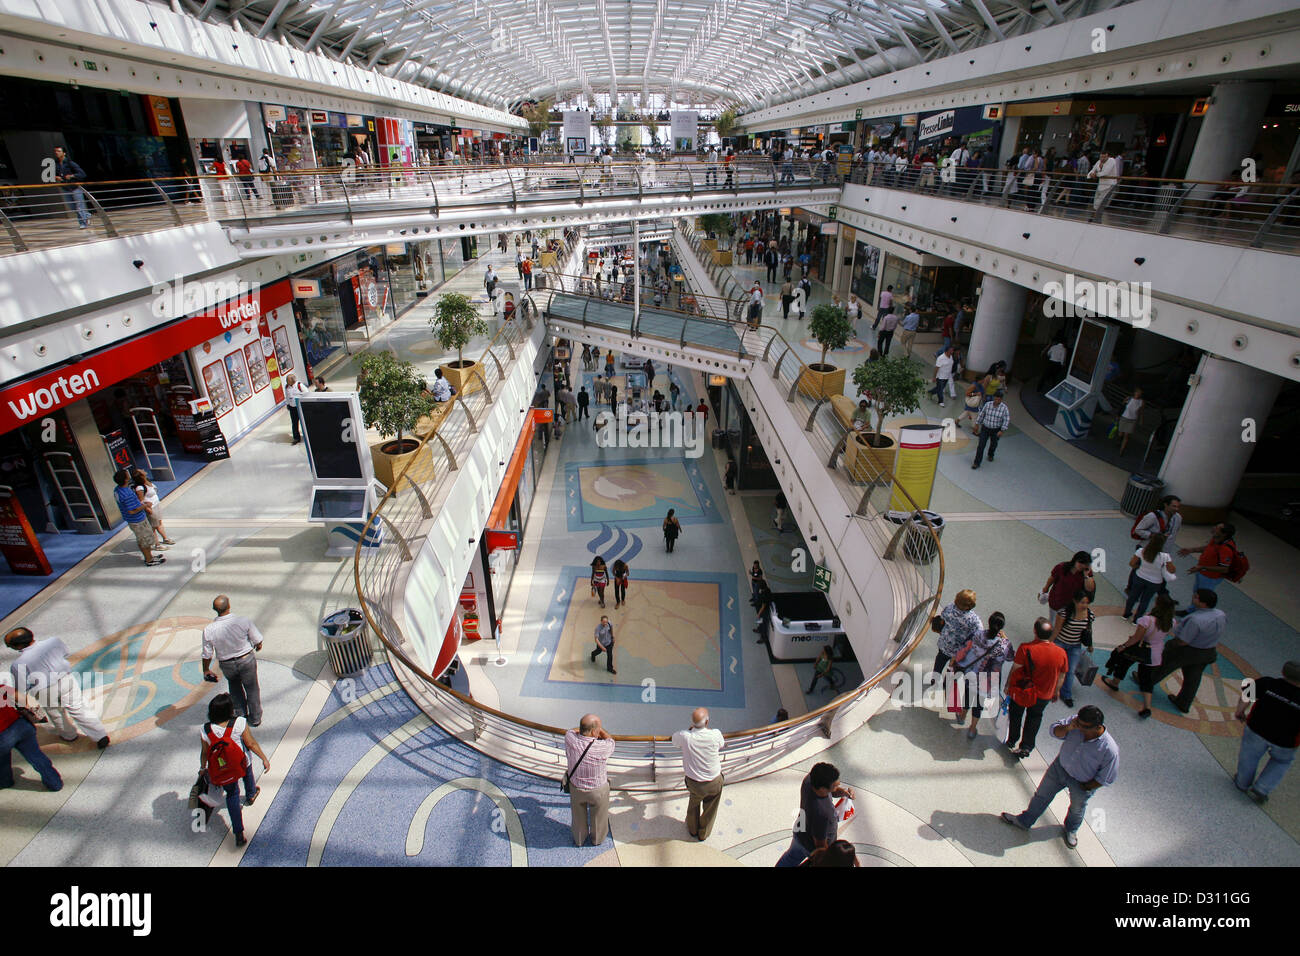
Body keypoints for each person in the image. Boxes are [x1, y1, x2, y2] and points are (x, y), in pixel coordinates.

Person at [1001, 705, 1118, 849]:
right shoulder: (1075, 723)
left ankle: (1071, 830)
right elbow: (1054, 731)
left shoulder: (1109, 749)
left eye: (1084, 727)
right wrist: (1069, 727)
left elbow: (1107, 777)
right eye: (1078, 723)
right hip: (1059, 768)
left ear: (1097, 727)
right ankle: (1025, 821)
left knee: (1077, 808)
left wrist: (1086, 787)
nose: (1079, 728)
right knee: (1041, 796)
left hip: (1082, 782)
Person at [5, 627, 109, 748]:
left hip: (44, 690)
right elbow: (65, 653)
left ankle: (69, 735)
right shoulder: (54, 642)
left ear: (17, 646)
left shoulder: (18, 664)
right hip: (66, 679)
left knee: (56, 713)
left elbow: (22, 687)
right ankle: (100, 735)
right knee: (79, 708)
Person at [200, 693, 269, 848]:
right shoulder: (239, 723)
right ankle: (251, 794)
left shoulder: (205, 729)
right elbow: (250, 744)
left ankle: (238, 833)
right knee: (247, 775)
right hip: (242, 761)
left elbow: (204, 752)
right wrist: (264, 758)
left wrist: (202, 768)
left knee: (232, 794)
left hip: (223, 767)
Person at [1234, 661, 1300, 804]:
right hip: (1286, 741)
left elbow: (1247, 695)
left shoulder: (1267, 683)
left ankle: (1242, 782)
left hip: (1256, 729)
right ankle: (1262, 788)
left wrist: (1240, 710)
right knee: (1281, 762)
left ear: (1283, 672)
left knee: (1249, 756)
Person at [1152, 588, 1226, 714]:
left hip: (1187, 650)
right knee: (1193, 678)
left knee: (1163, 665)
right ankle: (1183, 702)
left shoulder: (1195, 620)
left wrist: (1171, 644)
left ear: (1203, 603)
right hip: (1207, 651)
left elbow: (1183, 641)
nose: (1193, 597)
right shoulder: (1220, 614)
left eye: (1196, 597)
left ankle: (1147, 681)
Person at [1004, 617, 1068, 758]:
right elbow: (1062, 675)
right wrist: (1056, 691)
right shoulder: (1061, 653)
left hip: (1023, 691)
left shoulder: (1026, 648)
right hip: (1044, 694)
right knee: (1035, 718)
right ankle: (1026, 746)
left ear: (1035, 631)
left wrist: (1008, 685)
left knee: (1016, 714)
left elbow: (1016, 668)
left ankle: (1012, 739)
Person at [1103, 593, 1175, 718]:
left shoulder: (1147, 620)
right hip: (1155, 652)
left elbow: (1137, 638)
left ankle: (1115, 683)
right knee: (1146, 678)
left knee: (1124, 664)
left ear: (1157, 604)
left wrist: (1123, 646)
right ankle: (1147, 706)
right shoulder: (1171, 622)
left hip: (1139, 649)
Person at [201, 595, 264, 727]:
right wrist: (258, 646)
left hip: (227, 664)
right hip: (246, 659)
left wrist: (206, 669)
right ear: (229, 606)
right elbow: (257, 640)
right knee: (252, 689)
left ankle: (240, 716)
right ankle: (255, 718)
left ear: (215, 609)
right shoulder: (243, 621)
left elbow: (207, 653)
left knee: (235, 689)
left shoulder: (209, 630)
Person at [775, 762, 855, 867]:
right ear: (822, 789)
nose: (839, 784)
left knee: (790, 858)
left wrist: (844, 792)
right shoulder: (822, 813)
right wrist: (829, 858)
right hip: (810, 848)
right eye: (835, 785)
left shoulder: (810, 780)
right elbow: (820, 845)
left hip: (800, 833)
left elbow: (831, 792)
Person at [951, 611, 1012, 738]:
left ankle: (962, 715)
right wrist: (1005, 638)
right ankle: (972, 729)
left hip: (972, 672)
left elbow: (966, 648)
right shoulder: (1003, 645)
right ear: (1001, 627)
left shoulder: (978, 635)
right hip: (988, 679)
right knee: (979, 703)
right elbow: (1011, 657)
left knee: (968, 694)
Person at [0, 670, 62, 791]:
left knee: (2, 760)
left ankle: (6, 781)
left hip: (2, 738)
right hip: (21, 726)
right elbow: (22, 698)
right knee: (36, 755)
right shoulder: (1, 687)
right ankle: (55, 783)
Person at [672, 708, 726, 841]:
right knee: (711, 809)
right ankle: (704, 833)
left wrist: (689, 730)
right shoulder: (715, 734)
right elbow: (721, 744)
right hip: (714, 781)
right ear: (707, 722)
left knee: (693, 805)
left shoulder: (685, 736)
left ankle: (692, 829)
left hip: (694, 783)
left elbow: (674, 740)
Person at [564, 714, 616, 846]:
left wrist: (587, 729)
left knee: (577, 817)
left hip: (576, 787)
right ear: (594, 732)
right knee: (599, 817)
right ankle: (597, 839)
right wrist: (601, 731)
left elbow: (571, 731)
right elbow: (611, 740)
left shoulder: (570, 739)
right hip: (598, 790)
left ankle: (579, 839)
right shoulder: (603, 747)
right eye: (597, 729)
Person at [1051, 589, 1095, 708]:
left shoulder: (1089, 615)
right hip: (1060, 642)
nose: (1084, 605)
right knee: (1054, 667)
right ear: (1075, 601)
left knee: (1070, 671)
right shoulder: (1064, 613)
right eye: (1082, 602)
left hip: (1075, 645)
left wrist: (1090, 645)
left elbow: (1088, 631)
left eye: (1086, 603)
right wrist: (1049, 643)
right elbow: (1056, 630)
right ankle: (1049, 688)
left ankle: (1066, 695)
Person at [113, 468, 164, 566]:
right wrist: (145, 506)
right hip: (137, 520)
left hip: (135, 519)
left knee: (145, 539)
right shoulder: (126, 494)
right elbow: (132, 510)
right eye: (127, 475)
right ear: (125, 479)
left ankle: (150, 556)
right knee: (144, 540)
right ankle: (149, 560)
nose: (129, 475)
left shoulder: (118, 490)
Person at [1122, 533, 1176, 622]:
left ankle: (1126, 614)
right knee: (1145, 600)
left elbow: (1132, 563)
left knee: (1132, 597)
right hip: (1155, 582)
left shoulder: (1141, 551)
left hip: (1140, 577)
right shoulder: (1165, 556)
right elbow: (1172, 570)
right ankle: (1137, 619)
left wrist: (1139, 568)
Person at [935, 588, 983, 681]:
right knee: (952, 671)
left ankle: (934, 681)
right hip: (958, 652)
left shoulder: (949, 608)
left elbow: (943, 617)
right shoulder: (973, 620)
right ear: (969, 606)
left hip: (944, 645)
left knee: (939, 664)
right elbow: (980, 632)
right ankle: (946, 686)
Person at [1178, 522, 1237, 598]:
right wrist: (1191, 550)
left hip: (1210, 577)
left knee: (1202, 597)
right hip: (1202, 572)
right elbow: (1208, 548)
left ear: (1224, 534)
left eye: (1217, 528)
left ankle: (1197, 609)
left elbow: (1224, 569)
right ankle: (1191, 609)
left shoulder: (1226, 549)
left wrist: (1203, 567)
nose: (1214, 528)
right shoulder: (1216, 538)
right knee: (1196, 593)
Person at [1041, 550, 1096, 618]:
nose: (1082, 566)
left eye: (1085, 564)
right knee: (1053, 620)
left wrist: (1086, 575)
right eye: (1080, 562)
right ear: (1075, 560)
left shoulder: (1086, 574)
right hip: (1056, 599)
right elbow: (1052, 578)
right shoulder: (1062, 567)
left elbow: (1090, 589)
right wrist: (1046, 588)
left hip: (1071, 605)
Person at [131, 468, 175, 546]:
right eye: (141, 470)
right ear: (141, 476)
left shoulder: (147, 481)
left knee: (159, 523)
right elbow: (140, 501)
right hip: (150, 509)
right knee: (154, 527)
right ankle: (157, 544)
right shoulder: (140, 488)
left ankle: (165, 539)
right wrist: (147, 509)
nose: (143, 470)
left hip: (156, 505)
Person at [52, 146, 90, 229]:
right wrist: (56, 177)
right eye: (55, 151)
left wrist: (72, 176)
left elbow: (82, 174)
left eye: (58, 151)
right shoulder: (56, 163)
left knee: (79, 207)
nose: (56, 153)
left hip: (75, 188)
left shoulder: (70, 163)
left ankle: (83, 223)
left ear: (64, 153)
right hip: (65, 188)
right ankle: (86, 215)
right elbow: (55, 174)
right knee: (72, 207)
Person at [970, 391, 1009, 469]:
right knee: (981, 446)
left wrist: (1002, 430)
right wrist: (977, 424)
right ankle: (976, 463)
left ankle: (991, 454)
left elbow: (1006, 419)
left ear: (1001, 400)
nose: (997, 401)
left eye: (999, 399)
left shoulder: (1004, 408)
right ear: (994, 398)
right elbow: (982, 414)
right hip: (985, 428)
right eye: (996, 399)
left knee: (993, 444)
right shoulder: (988, 405)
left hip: (996, 430)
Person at [1116, 386, 1143, 455]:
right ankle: (1119, 440)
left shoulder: (1141, 402)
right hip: (1124, 417)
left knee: (1127, 435)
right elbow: (1122, 406)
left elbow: (1141, 411)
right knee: (1120, 433)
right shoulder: (1129, 398)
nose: (1138, 394)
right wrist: (1118, 415)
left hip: (1132, 419)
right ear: (1135, 393)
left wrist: (1140, 419)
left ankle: (1122, 450)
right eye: (1137, 392)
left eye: (1139, 393)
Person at [285, 373, 309, 444]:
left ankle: (307, 435)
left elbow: (307, 393)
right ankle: (296, 438)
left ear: (292, 380)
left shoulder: (299, 385)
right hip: (292, 407)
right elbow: (287, 396)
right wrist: (288, 404)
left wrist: (300, 398)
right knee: (294, 423)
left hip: (300, 407)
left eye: (288, 380)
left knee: (304, 421)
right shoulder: (287, 387)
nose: (287, 381)